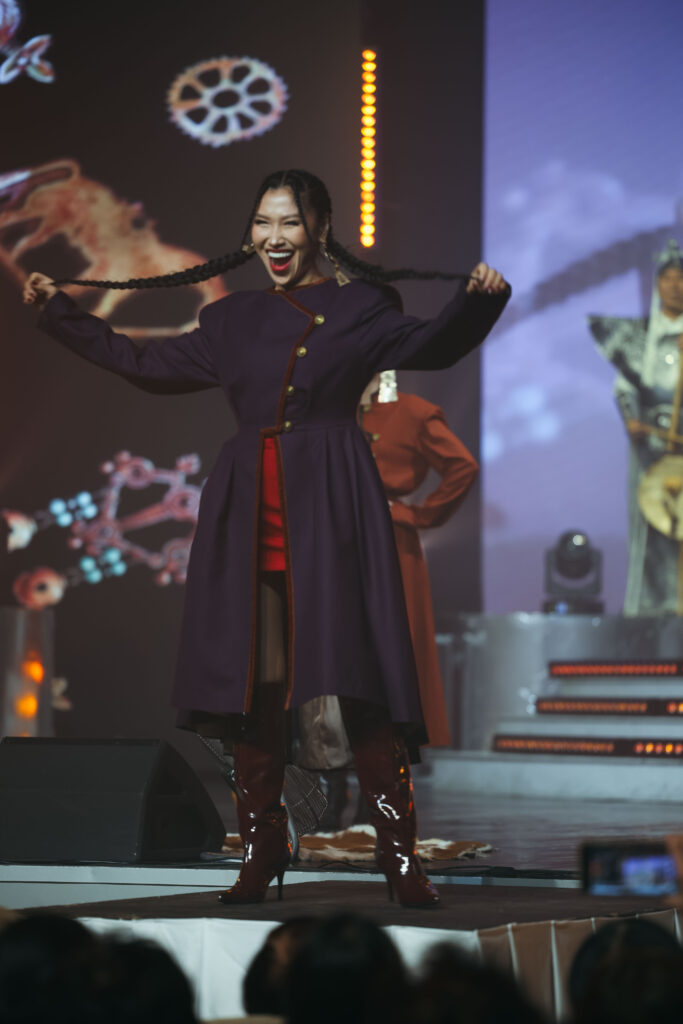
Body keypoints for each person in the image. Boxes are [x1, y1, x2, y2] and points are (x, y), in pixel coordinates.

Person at [24, 168, 509, 908]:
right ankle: (262, 845)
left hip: (334, 507)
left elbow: (434, 345)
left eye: (289, 222)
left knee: (358, 681)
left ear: (320, 228)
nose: (274, 238)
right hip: (249, 512)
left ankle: (398, 853)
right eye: (262, 223)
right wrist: (62, 314)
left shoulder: (362, 305)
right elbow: (143, 363)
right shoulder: (230, 318)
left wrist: (478, 302)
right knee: (255, 685)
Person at [590, 239, 683, 614]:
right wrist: (632, 420)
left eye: (681, 279)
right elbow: (625, 387)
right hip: (651, 450)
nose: (675, 286)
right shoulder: (641, 337)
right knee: (651, 525)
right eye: (668, 278)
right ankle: (649, 610)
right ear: (658, 284)